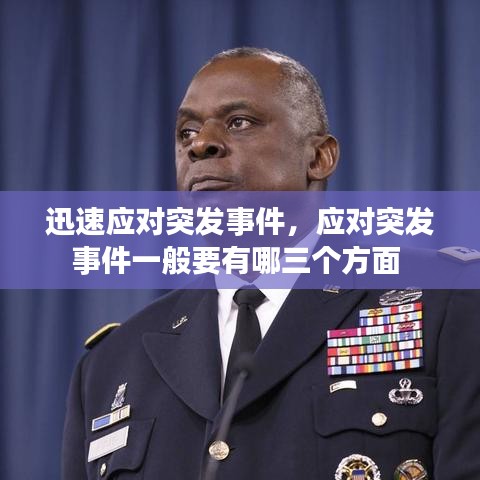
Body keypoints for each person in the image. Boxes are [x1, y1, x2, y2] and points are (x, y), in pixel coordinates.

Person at [62, 48, 480, 480]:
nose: (200, 144)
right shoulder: (109, 366)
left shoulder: (446, 303)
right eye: (187, 132)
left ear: (318, 158)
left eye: (239, 122)